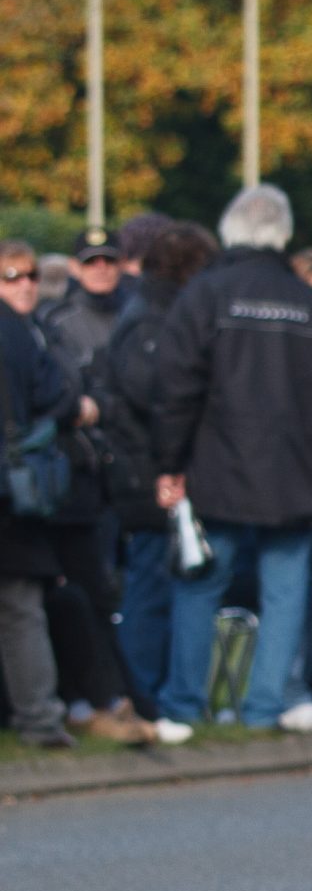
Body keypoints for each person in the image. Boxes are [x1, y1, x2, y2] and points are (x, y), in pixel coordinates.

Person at [152, 185, 312, 733]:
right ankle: (268, 705)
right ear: (283, 233)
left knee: (201, 582)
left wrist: (169, 464)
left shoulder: (205, 296)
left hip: (216, 465)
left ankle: (182, 706)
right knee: (286, 590)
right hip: (297, 468)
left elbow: (177, 386)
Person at [30, 229, 154, 743]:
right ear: (77, 270)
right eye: (92, 262)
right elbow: (55, 399)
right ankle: (88, 699)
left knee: (101, 593)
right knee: (68, 594)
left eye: (109, 261)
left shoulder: (133, 315)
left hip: (107, 475)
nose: (102, 270)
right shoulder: (55, 325)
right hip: (64, 483)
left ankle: (116, 697)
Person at [101, 221, 218, 738]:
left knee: (160, 582)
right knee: (151, 585)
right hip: (149, 474)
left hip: (150, 469)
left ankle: (153, 694)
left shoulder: (152, 314)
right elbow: (156, 397)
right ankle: (145, 697)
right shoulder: (154, 322)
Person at [0, 243, 74, 748]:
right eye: (11, 276)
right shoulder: (22, 334)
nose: (24, 284)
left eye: (30, 274)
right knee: (21, 608)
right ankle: (40, 721)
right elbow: (58, 393)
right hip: (12, 489)